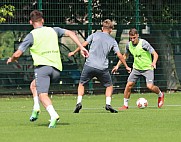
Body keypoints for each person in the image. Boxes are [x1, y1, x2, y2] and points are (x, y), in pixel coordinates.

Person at [7, 10, 89, 128]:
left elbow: (18, 53)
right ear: (43, 20)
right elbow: (71, 33)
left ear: (31, 22)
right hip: (57, 69)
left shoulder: (32, 35)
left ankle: (53, 114)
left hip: (43, 68)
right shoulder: (53, 30)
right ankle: (36, 108)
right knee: (33, 86)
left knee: (42, 95)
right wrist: (81, 47)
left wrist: (12, 59)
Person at [69, 19, 131, 113]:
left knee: (81, 84)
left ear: (102, 28)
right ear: (111, 29)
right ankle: (108, 104)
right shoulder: (112, 41)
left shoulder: (94, 35)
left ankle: (79, 102)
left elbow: (83, 45)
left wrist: (73, 52)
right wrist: (126, 66)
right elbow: (119, 55)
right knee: (109, 86)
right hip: (102, 68)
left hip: (89, 65)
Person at [112, 28, 164, 110]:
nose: (132, 40)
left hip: (147, 68)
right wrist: (117, 66)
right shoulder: (128, 45)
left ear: (137, 36)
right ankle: (125, 105)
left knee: (150, 86)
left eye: (134, 38)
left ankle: (160, 95)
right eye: (131, 38)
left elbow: (155, 54)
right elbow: (125, 56)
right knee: (128, 85)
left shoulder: (144, 43)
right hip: (136, 68)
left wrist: (153, 63)